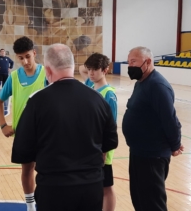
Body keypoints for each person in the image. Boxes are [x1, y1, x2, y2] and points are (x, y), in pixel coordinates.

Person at [11, 43, 118, 211]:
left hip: (54, 189)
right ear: (73, 67)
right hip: (92, 187)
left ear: (47, 70)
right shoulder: (98, 99)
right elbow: (109, 144)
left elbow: (24, 152)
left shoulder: (36, 102)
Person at [122, 46, 184, 211]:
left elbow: (169, 118)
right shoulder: (142, 83)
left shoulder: (157, 85)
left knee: (152, 202)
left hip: (152, 155)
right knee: (140, 198)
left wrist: (176, 144)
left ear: (147, 62)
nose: (130, 66)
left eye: (133, 62)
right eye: (128, 62)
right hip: (139, 152)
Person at [0, 36, 47, 211]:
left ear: (34, 53)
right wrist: (3, 125)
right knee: (27, 170)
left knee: (47, 171)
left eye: (27, 56)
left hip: (46, 134)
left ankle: (47, 201)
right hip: (24, 133)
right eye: (20, 58)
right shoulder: (15, 77)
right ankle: (30, 205)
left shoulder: (47, 74)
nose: (25, 61)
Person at [79, 53, 117, 211]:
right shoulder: (89, 84)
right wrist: (90, 65)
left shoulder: (109, 94)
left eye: (95, 69)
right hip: (89, 147)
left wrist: (103, 153)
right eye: (90, 70)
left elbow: (111, 127)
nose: (91, 73)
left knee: (106, 187)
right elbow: (82, 69)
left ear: (105, 70)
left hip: (101, 150)